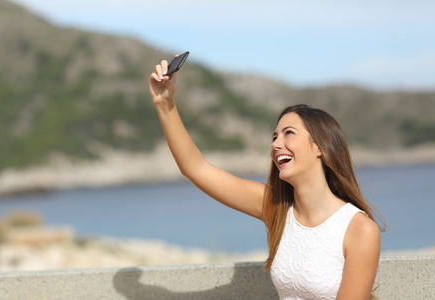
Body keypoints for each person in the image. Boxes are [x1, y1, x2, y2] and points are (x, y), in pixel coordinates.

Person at [149, 58, 382, 300]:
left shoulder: (359, 229)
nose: (276, 144)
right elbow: (195, 168)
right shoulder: (277, 209)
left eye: (288, 133)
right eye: (274, 136)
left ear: (320, 146)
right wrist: (164, 102)